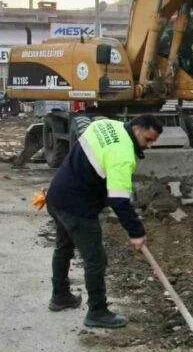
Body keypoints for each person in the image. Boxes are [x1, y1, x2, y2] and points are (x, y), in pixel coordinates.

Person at [45, 114, 163, 328]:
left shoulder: (104, 125)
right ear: (136, 129)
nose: (150, 146)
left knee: (63, 247)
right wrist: (136, 232)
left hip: (56, 196)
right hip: (76, 208)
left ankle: (60, 296)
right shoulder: (123, 154)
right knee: (95, 259)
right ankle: (97, 312)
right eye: (148, 140)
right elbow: (119, 200)